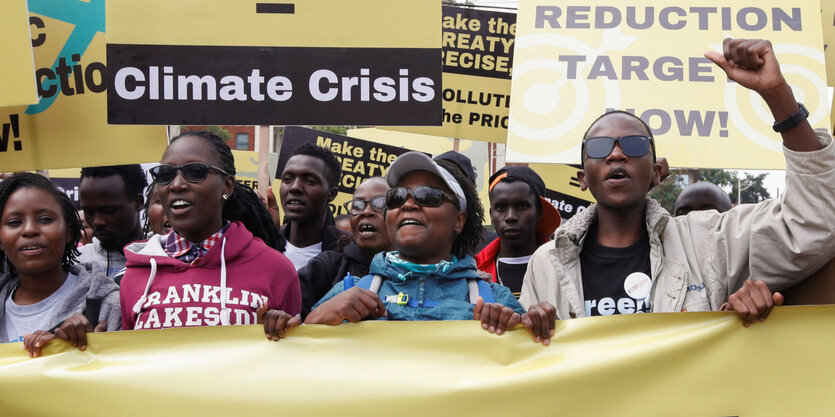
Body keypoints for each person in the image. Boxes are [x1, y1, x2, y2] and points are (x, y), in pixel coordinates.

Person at [517, 38, 834, 327]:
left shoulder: (708, 241)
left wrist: (778, 96)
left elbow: (814, 220)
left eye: (634, 145)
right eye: (599, 149)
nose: (616, 155)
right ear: (583, 178)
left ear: (655, 173)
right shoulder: (547, 263)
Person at [300, 151, 554, 345]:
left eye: (428, 196)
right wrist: (315, 322)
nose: (408, 204)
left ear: (459, 220)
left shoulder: (497, 303)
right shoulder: (346, 294)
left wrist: (529, 329)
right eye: (397, 197)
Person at [119, 131, 301, 333]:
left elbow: (289, 360)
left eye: (196, 172)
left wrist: (280, 329)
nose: (177, 184)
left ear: (227, 186)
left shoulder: (277, 270)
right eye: (165, 174)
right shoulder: (134, 276)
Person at [0, 173, 120, 357]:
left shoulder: (110, 305)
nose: (30, 230)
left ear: (69, 232)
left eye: (45, 219)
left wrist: (94, 349)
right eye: (14, 222)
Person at [297, 177, 393, 317]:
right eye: (357, 205)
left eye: (380, 203)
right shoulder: (325, 268)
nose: (366, 212)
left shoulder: (420, 274)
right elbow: (289, 322)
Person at [475, 166, 561, 297]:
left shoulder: (566, 267)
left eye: (521, 206)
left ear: (539, 212)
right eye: (501, 207)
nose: (510, 216)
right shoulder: (472, 273)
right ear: (491, 215)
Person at [278, 143, 351, 270]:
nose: (295, 187)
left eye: (310, 181)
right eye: (288, 179)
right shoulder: (264, 244)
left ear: (331, 194)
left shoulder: (349, 252)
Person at [78, 164, 146, 279]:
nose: (97, 222)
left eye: (109, 210)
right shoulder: (76, 265)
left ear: (138, 203)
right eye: (89, 212)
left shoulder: (167, 259)